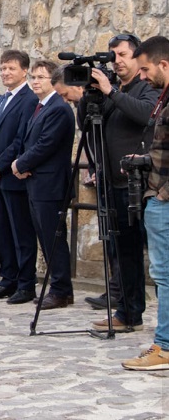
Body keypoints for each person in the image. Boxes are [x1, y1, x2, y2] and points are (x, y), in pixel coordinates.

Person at [78, 34, 156, 328]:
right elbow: (85, 124)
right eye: (113, 56)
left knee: (143, 252)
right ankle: (126, 311)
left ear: (138, 58)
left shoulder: (146, 88)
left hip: (139, 185)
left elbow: (146, 115)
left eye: (123, 55)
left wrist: (111, 92)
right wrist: (91, 95)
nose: (118, 61)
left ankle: (135, 311)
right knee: (120, 251)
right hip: (110, 183)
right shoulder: (114, 90)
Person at [9, 60, 76, 308]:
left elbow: (45, 145)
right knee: (45, 238)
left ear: (54, 81)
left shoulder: (58, 108)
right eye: (33, 77)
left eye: (41, 77)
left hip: (51, 184)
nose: (35, 81)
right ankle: (59, 287)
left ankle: (61, 289)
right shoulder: (40, 107)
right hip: (37, 182)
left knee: (54, 238)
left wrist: (20, 164)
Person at [123, 35, 169, 370]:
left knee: (165, 276)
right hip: (160, 194)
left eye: (146, 69)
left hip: (164, 200)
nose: (142, 76)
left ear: (163, 64)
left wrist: (162, 195)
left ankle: (165, 347)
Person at [0, 50, 39, 303]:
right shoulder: (2, 100)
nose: (5, 73)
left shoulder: (29, 99)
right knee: (2, 230)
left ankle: (26, 284)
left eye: (11, 69)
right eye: (3, 69)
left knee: (21, 232)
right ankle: (8, 278)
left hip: (13, 177)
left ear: (24, 70)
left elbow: (20, 140)